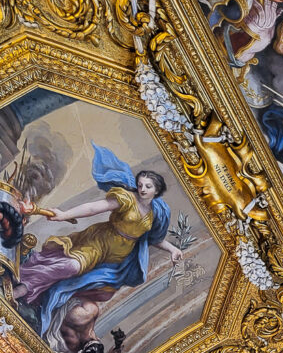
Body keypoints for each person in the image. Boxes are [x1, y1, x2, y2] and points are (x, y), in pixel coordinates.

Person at [13, 145, 180, 338]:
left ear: (156, 191)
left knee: (75, 284)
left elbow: (152, 239)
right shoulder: (127, 198)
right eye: (140, 184)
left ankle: (41, 298)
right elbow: (94, 207)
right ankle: (23, 288)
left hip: (114, 264)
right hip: (98, 243)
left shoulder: (154, 214)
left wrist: (173, 249)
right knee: (71, 267)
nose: (142, 189)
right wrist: (65, 214)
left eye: (147, 186)